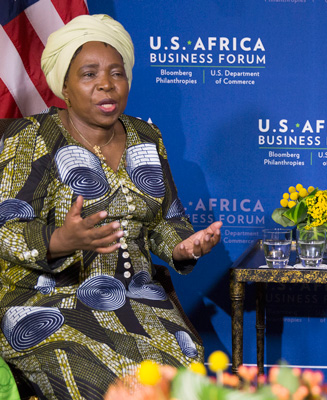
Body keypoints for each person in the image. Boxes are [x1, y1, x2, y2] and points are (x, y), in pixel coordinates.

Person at [0, 14, 223, 400]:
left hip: (137, 293)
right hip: (48, 297)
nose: (106, 84)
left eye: (116, 73)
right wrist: (60, 238)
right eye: (89, 74)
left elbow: (165, 219)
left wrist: (183, 246)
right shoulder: (31, 137)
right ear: (64, 87)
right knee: (109, 379)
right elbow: (6, 228)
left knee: (181, 374)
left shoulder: (145, 135)